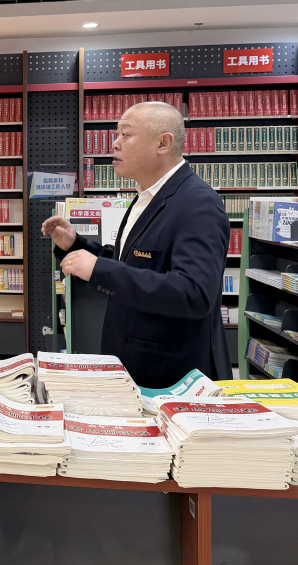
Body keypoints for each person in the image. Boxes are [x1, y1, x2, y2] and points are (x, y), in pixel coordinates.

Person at [41, 101, 231, 387]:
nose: (114, 144)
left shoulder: (198, 204)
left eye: (126, 134)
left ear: (163, 143)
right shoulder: (146, 196)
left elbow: (194, 293)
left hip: (172, 378)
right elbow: (135, 263)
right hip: (137, 366)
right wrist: (76, 245)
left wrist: (100, 270)